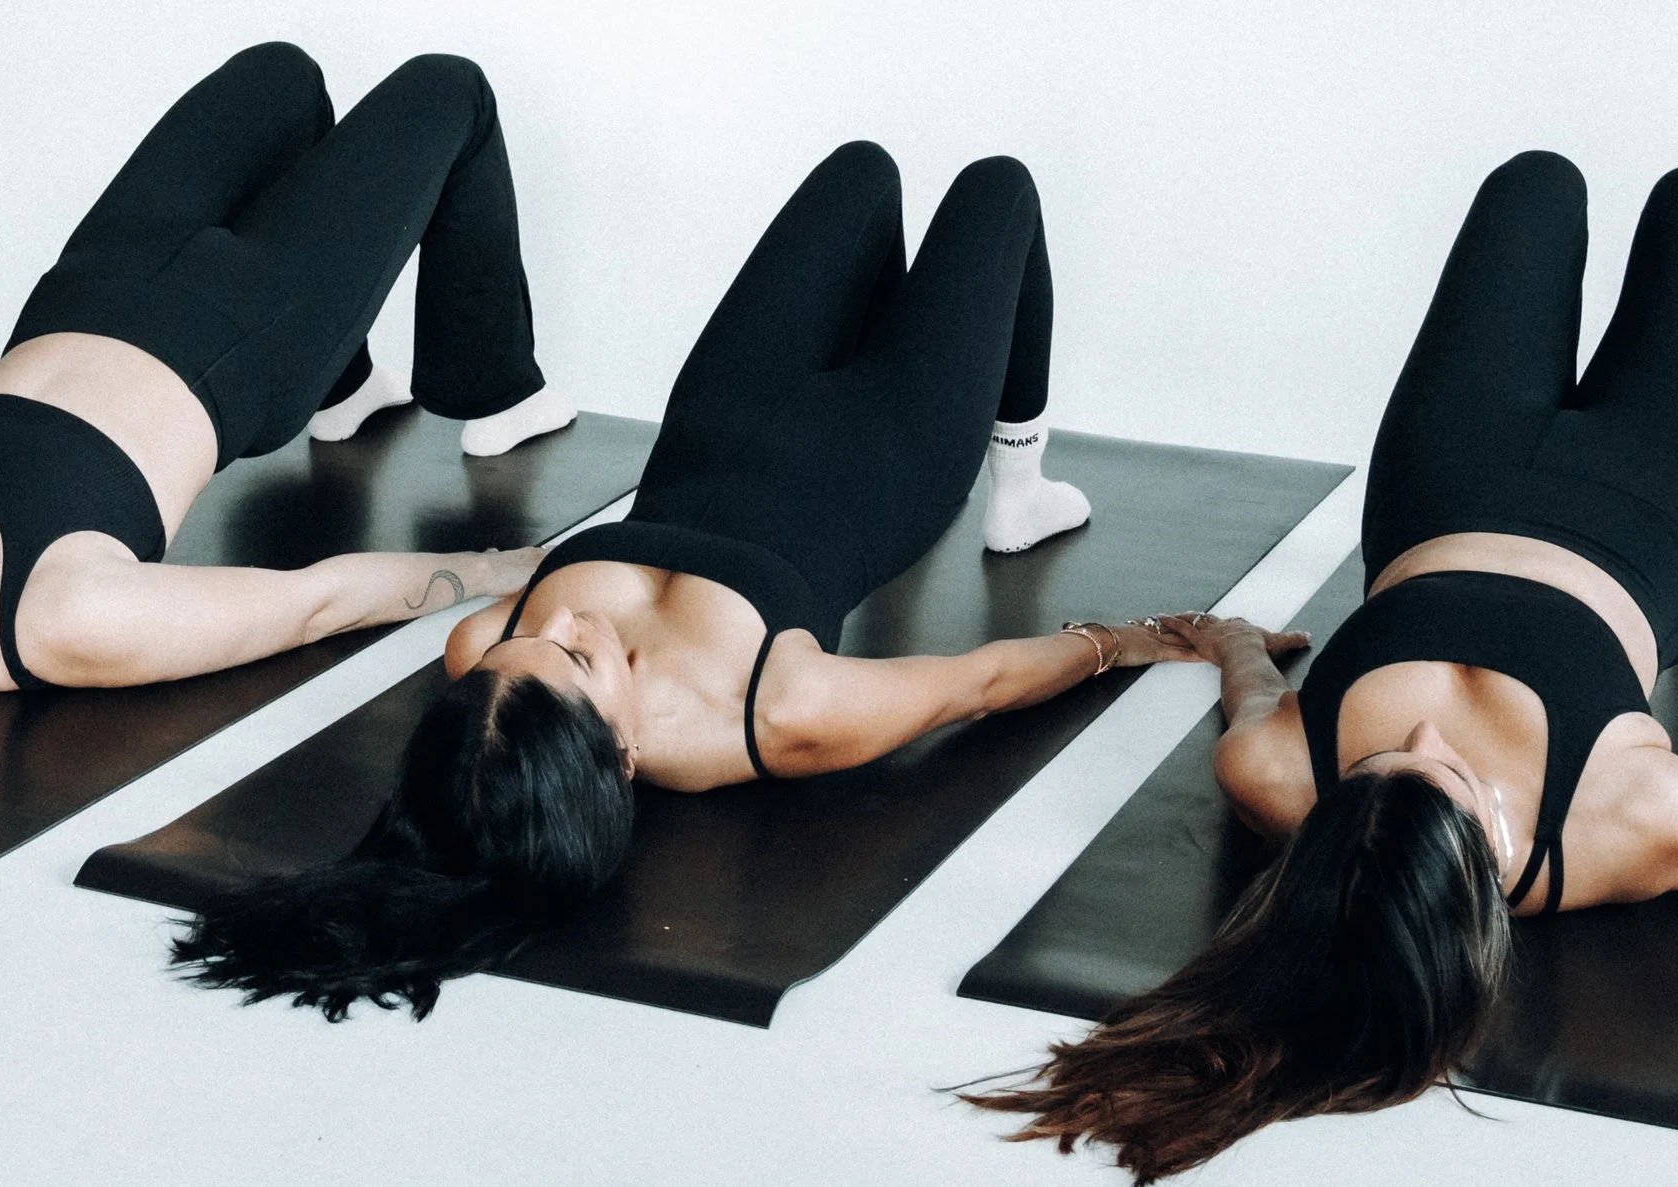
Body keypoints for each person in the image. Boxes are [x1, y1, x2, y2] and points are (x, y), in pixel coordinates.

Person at [174, 139, 1264, 1020]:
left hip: (722, 415)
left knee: (860, 173)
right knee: (998, 191)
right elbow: (974, 684)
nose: (567, 629)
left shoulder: (485, 671)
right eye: (575, 660)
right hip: (891, 447)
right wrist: (1127, 640)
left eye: (533, 638)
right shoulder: (772, 713)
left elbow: (488, 636)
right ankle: (1018, 484)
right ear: (624, 755)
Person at [970, 151, 1678, 1183]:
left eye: (1380, 758)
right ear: (1486, 862)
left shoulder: (1274, 775)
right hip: (1661, 522)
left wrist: (1227, 638)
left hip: (1445, 489)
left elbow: (1255, 690)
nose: (1427, 733)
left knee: (1533, 185)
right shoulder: (1637, 819)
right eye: (1447, 773)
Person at [0, 42, 577, 747]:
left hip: (96, 277)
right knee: (449, 90)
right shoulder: (62, 617)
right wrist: (500, 569)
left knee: (281, 77)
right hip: (245, 331)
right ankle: (494, 387)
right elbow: (308, 604)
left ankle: (347, 385)